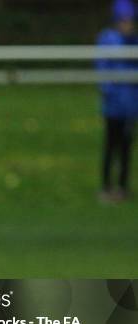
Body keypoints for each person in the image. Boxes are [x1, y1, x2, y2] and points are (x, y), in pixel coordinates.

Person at [96, 0, 138, 203]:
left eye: (130, 20)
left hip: (131, 106)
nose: (127, 24)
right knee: (110, 146)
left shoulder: (135, 42)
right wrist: (109, 92)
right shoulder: (108, 40)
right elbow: (103, 70)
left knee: (126, 147)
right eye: (124, 20)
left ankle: (122, 187)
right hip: (113, 106)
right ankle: (106, 187)